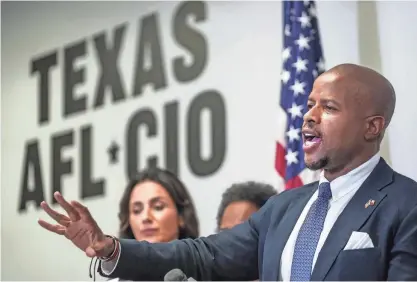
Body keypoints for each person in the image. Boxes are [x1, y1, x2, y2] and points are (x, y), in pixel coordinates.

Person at [38, 64, 417, 281]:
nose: (309, 116)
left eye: (329, 108)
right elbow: (204, 256)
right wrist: (113, 249)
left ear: (372, 127)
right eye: (310, 104)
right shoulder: (284, 208)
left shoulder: (406, 205)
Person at [117, 167, 199, 242]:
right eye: (137, 211)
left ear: (182, 216)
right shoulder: (115, 257)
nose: (145, 217)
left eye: (158, 207)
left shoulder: (207, 256)